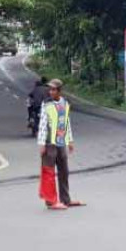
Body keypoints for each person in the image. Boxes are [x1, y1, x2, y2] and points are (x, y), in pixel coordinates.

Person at [37, 79, 83, 209]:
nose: (51, 92)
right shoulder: (46, 104)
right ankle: (51, 201)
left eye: (53, 89)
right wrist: (41, 143)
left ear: (59, 91)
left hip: (60, 141)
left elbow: (66, 122)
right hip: (49, 142)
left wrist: (70, 140)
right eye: (50, 89)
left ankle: (65, 199)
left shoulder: (65, 103)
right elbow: (42, 124)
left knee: (64, 171)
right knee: (49, 172)